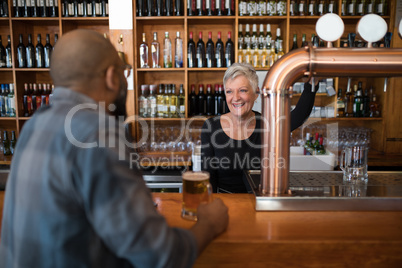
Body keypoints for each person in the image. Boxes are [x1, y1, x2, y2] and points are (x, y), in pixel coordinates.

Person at [0, 29, 228, 268]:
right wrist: (209, 224)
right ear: (112, 76)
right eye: (124, 73)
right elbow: (159, 256)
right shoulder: (98, 131)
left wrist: (134, 212)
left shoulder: (34, 124)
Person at [201, 63, 317, 193]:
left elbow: (299, 116)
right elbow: (208, 178)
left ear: (256, 93)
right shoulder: (211, 127)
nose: (236, 98)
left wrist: (312, 83)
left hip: (260, 203)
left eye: (243, 90)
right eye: (229, 91)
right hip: (225, 204)